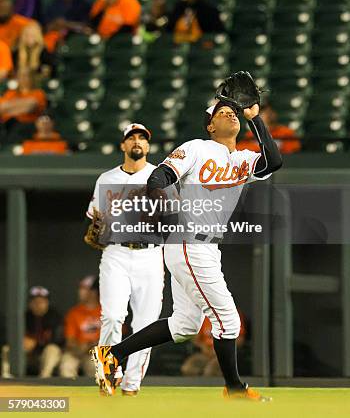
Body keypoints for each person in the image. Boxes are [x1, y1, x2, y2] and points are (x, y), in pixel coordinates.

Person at [91, 93, 282, 400]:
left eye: (234, 112)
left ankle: (111, 355)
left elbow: (274, 161)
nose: (230, 115)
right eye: (222, 112)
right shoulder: (197, 147)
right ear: (210, 125)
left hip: (207, 249)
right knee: (228, 320)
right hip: (189, 242)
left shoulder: (243, 159)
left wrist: (254, 117)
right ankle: (234, 388)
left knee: (184, 325)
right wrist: (168, 210)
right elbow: (159, 176)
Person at [86, 123, 165, 396]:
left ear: (148, 145)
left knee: (145, 325)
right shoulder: (106, 179)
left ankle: (131, 384)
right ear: (122, 145)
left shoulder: (160, 175)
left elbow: (175, 216)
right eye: (131, 137)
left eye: (142, 137)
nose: (137, 141)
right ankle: (108, 373)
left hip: (151, 256)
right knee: (111, 316)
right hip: (116, 253)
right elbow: (95, 217)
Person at [2, 286, 63, 378]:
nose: (38, 304)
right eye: (35, 302)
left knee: (52, 349)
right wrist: (21, 342)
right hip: (28, 355)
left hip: (45, 355)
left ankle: (45, 379)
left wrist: (36, 344)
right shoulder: (24, 317)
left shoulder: (54, 317)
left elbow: (59, 341)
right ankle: (7, 376)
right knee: (7, 349)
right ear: (30, 303)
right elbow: (9, 337)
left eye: (41, 302)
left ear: (47, 303)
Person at [59, 276, 101, 378]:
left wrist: (91, 345)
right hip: (77, 352)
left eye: (84, 289)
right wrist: (79, 348)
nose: (80, 292)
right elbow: (70, 340)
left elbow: (117, 336)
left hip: (97, 352)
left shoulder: (106, 311)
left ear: (94, 292)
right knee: (66, 365)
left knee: (96, 367)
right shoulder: (74, 312)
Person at [237, 103, 301, 155]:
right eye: (264, 113)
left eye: (270, 112)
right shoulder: (251, 134)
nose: (268, 115)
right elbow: (241, 148)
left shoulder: (285, 131)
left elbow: (294, 147)